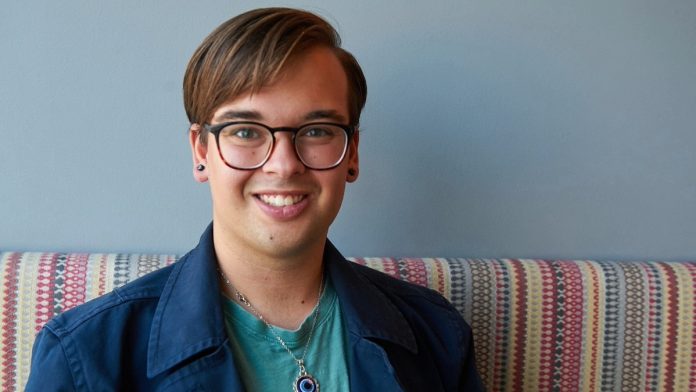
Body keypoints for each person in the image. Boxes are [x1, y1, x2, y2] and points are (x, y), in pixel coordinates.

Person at [26, 7, 483, 391]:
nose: (284, 165)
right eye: (246, 131)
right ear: (202, 152)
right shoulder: (84, 354)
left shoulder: (438, 334)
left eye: (318, 131)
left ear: (352, 154)